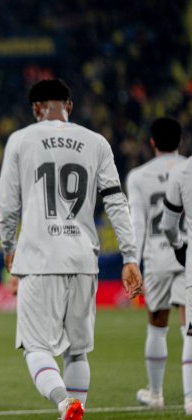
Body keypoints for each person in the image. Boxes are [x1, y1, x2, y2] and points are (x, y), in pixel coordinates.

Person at [0, 79, 143, 420]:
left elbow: (7, 204)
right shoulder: (96, 142)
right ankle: (75, 409)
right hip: (82, 257)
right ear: (69, 106)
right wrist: (130, 256)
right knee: (77, 352)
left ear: (36, 109)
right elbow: (116, 202)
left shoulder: (20, 140)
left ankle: (65, 402)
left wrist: (8, 246)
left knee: (36, 347)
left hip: (39, 256)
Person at [126, 117, 186, 408]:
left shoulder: (138, 176)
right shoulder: (189, 169)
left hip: (158, 256)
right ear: (181, 141)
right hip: (187, 253)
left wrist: (131, 262)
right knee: (189, 326)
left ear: (152, 142)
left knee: (157, 325)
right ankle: (190, 396)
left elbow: (136, 224)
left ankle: (156, 393)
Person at [160, 153, 191, 415]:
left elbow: (168, 225)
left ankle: (191, 400)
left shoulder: (182, 171)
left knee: (191, 334)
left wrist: (180, 246)